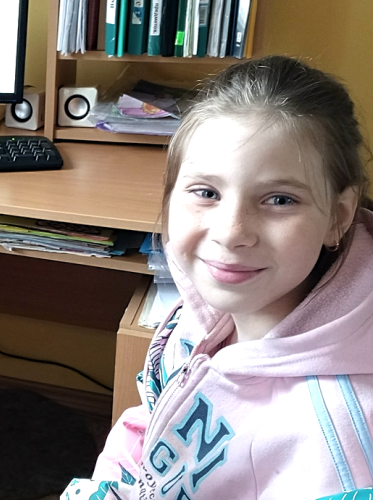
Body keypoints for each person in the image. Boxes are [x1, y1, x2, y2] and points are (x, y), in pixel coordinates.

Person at [61, 55, 373, 500]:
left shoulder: (344, 444)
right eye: (206, 192)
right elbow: (154, 422)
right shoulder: (199, 317)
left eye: (280, 200)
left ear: (338, 216)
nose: (231, 233)